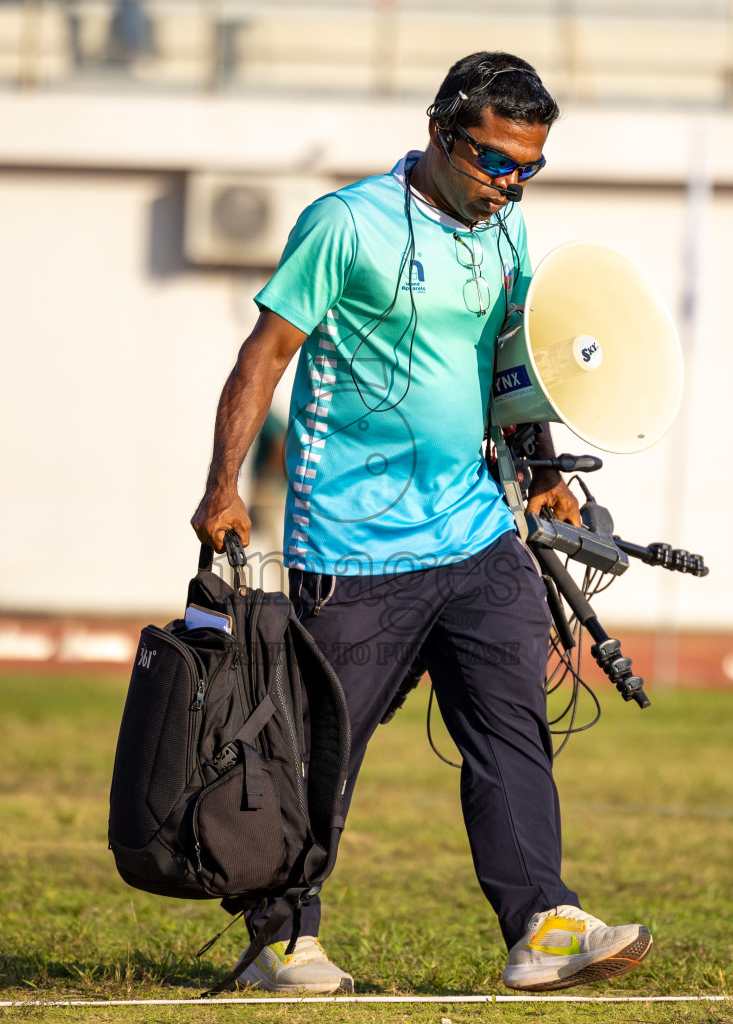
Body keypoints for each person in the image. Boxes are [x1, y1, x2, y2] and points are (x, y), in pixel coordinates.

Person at [189, 52, 654, 995]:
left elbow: (512, 369)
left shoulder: (509, 229)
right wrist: (222, 488)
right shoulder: (345, 224)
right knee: (318, 751)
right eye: (495, 161)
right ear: (443, 132)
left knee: (511, 724)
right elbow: (264, 356)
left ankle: (542, 923)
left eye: (531, 167)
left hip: (477, 533)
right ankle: (281, 942)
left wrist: (543, 466)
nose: (511, 184)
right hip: (352, 549)